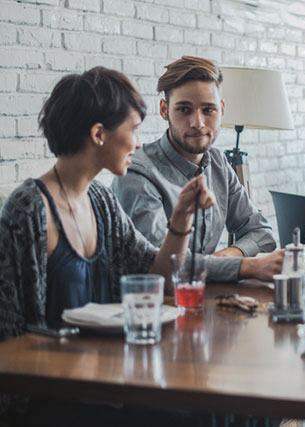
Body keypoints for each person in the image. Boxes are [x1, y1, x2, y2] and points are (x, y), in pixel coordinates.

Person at [0, 67, 215, 424]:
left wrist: (181, 220)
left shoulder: (101, 201)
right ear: (99, 134)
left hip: (109, 384)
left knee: (208, 408)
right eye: (132, 130)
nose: (137, 143)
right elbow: (9, 337)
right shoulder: (30, 209)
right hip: (54, 400)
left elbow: (157, 277)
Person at [112, 56, 282, 282]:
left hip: (204, 299)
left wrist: (228, 257)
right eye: (184, 109)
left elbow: (262, 233)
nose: (198, 123)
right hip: (152, 306)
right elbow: (162, 263)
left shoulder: (218, 162)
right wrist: (246, 266)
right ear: (164, 110)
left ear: (221, 110)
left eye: (208, 110)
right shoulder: (137, 173)